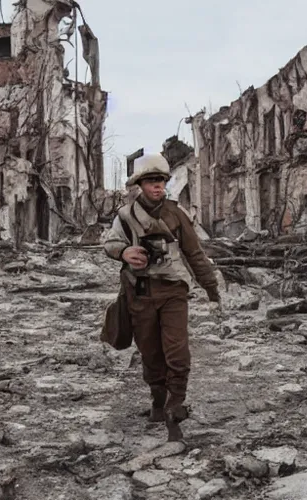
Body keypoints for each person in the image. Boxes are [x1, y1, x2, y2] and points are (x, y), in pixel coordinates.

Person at [102, 153, 222, 441]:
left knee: (177, 353)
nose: (158, 186)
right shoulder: (126, 215)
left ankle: (175, 407)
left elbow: (194, 254)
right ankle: (158, 400)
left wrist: (212, 289)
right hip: (140, 293)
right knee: (151, 354)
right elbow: (110, 243)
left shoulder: (176, 214)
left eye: (161, 180)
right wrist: (125, 252)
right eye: (151, 181)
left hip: (173, 291)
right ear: (140, 184)